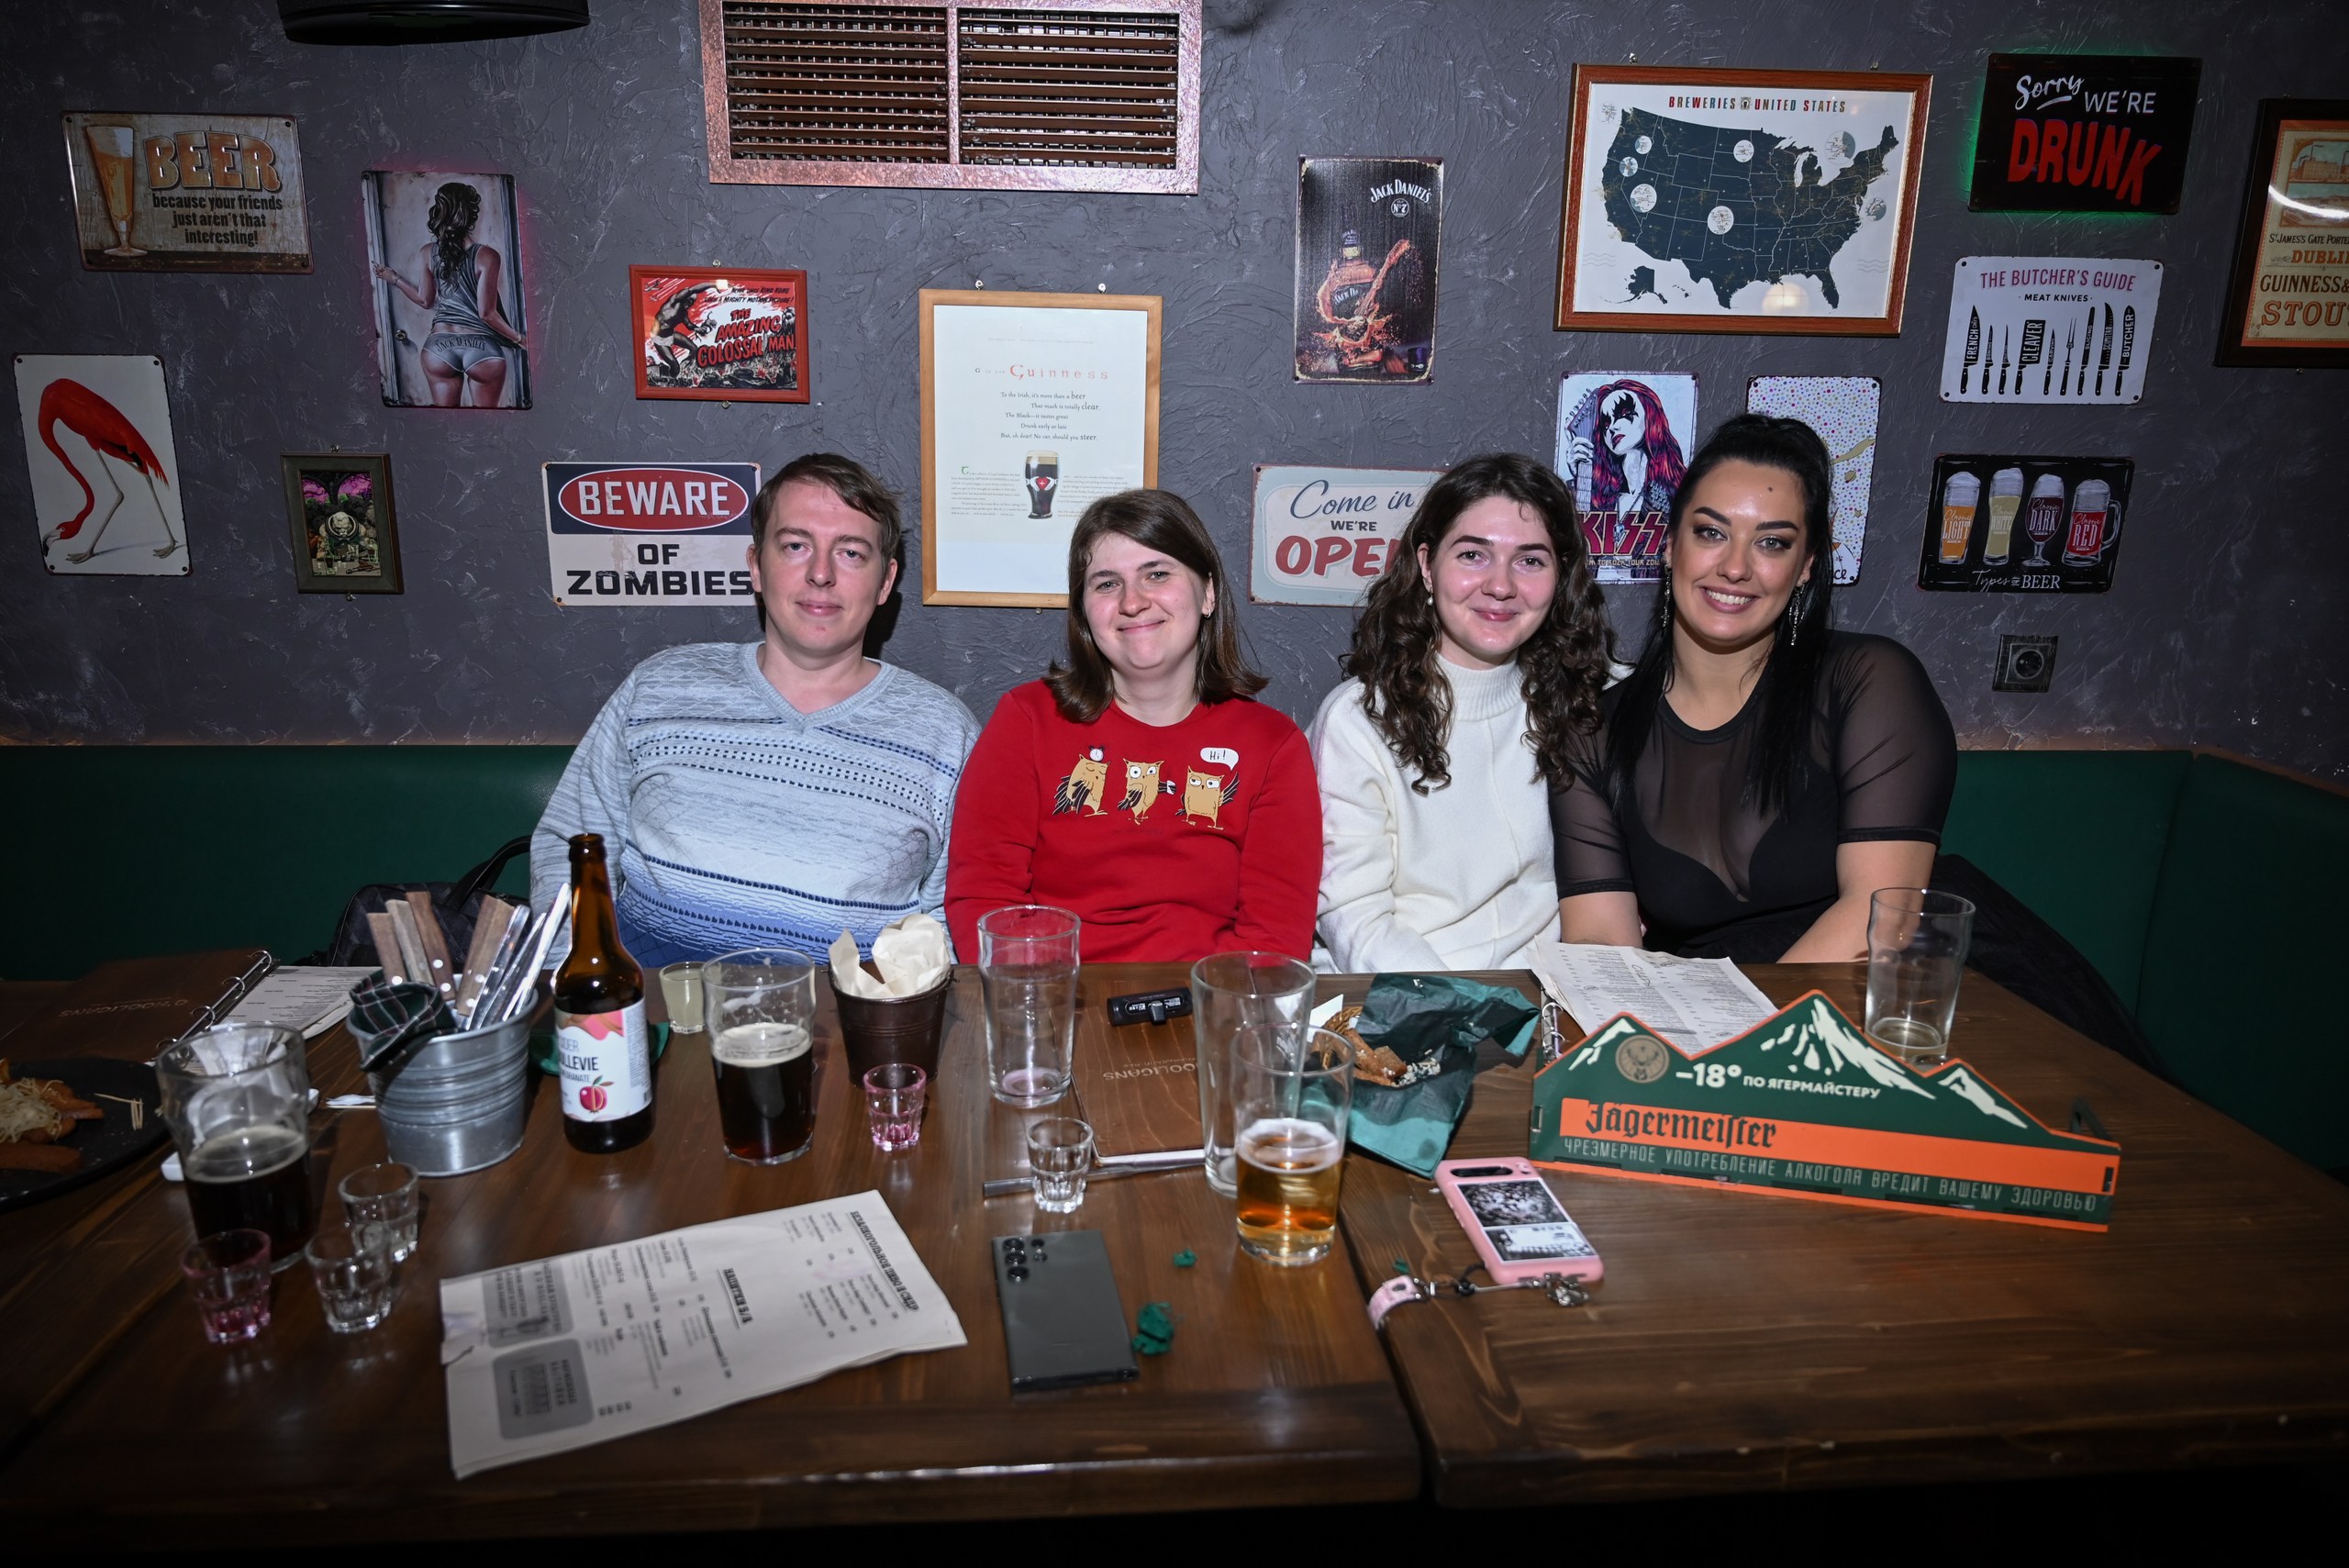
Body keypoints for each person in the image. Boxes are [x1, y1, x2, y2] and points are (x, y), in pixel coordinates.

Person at [531, 453, 979, 967]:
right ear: (755, 567)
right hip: (656, 1005)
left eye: (851, 553)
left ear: (884, 581)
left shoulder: (945, 732)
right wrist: (579, 988)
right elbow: (570, 848)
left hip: (847, 1013)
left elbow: (951, 917)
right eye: (795, 546)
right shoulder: (660, 687)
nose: (821, 574)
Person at [1552, 415, 1956, 962]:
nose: (1736, 567)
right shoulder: (1592, 736)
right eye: (1711, 533)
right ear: (1669, 545)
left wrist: (1752, 1019)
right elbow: (1600, 941)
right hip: (1710, 1000)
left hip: (1895, 987)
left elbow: (1883, 913)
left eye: (1772, 543)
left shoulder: (1868, 680)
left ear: (1806, 565)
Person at [945, 489, 1319, 964]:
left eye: (1157, 574)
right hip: (1055, 991)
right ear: (1084, 610)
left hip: (1207, 998)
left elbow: (1275, 938)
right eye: (1106, 584)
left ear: (1207, 593)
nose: (1132, 602)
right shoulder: (1027, 719)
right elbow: (984, 898)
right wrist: (1047, 993)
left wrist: (1198, 1000)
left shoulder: (1272, 745)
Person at [1310, 453, 1613, 972]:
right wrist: (1461, 1007)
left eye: (1530, 561)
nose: (1500, 585)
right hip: (1400, 991)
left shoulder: (1587, 699)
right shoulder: (1357, 721)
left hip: (1545, 994)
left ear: (1561, 576)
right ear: (1428, 566)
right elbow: (1356, 920)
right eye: (1473, 555)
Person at [373, 182, 527, 409]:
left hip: (439, 349)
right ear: (472, 214)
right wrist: (520, 339)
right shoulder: (487, 256)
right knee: (488, 423)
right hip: (481, 349)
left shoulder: (428, 252)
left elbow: (425, 300)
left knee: (446, 423)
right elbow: (486, 314)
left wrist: (394, 278)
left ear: (439, 212)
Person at [1563, 379, 1687, 559]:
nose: (1612, 427)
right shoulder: (1602, 496)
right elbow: (1576, 553)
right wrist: (1580, 480)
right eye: (1606, 424)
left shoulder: (1674, 492)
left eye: (1624, 414)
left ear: (1650, 414)